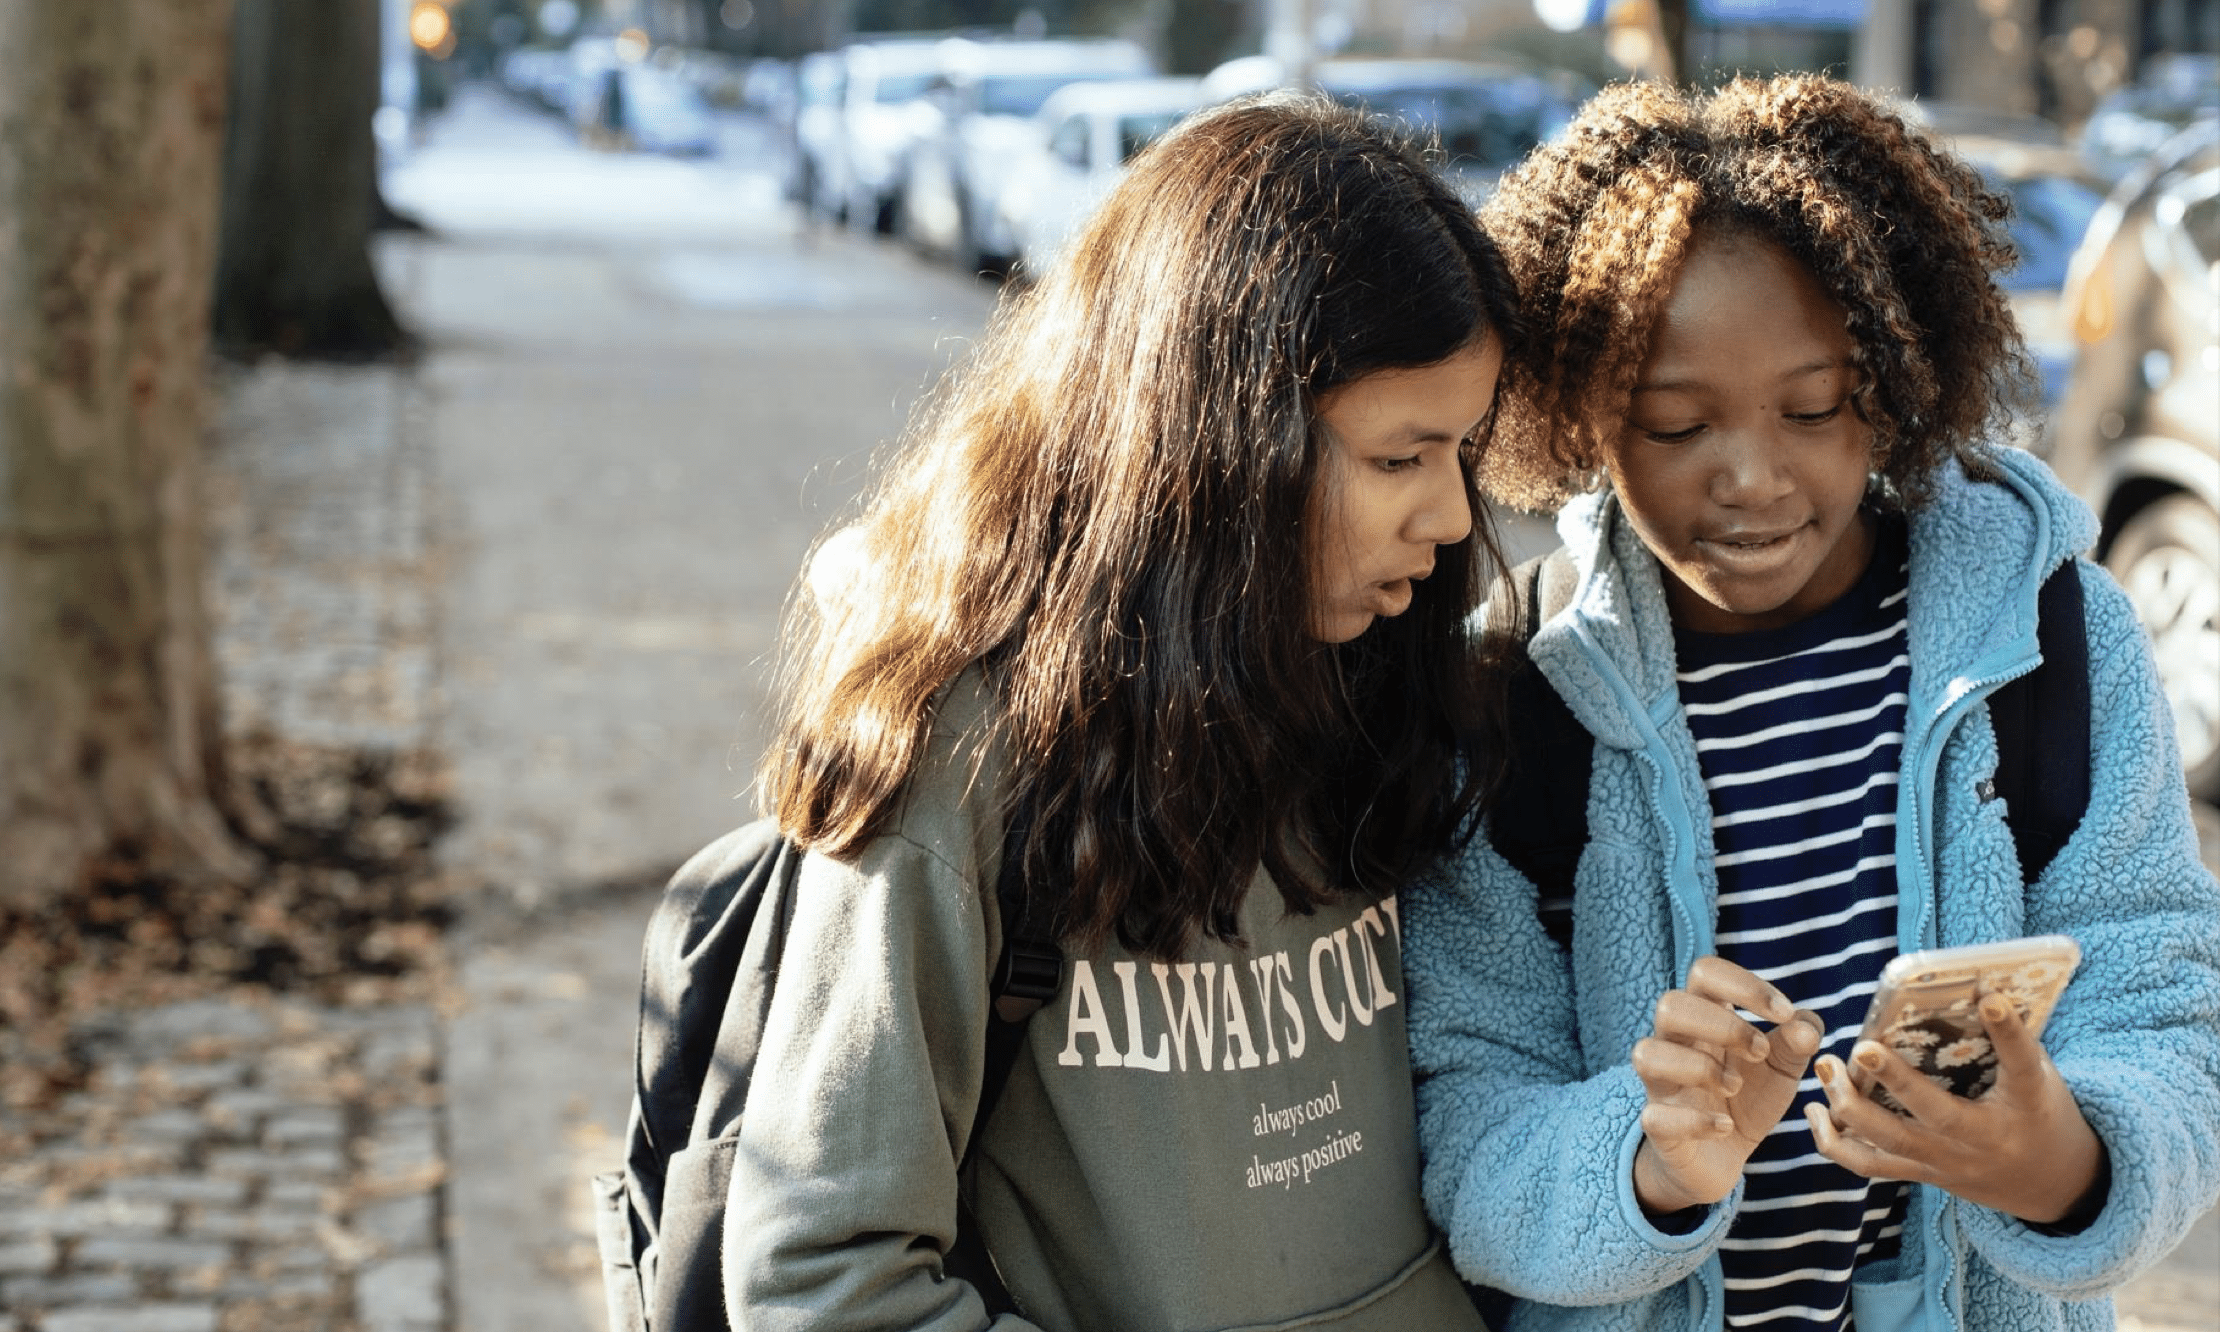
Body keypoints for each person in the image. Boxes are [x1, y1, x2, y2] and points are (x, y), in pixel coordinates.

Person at [1405, 74, 2220, 1332]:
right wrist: (1651, 1162)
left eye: (1814, 408)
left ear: (1894, 378)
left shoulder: (2050, 637)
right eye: (1675, 425)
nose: (1753, 478)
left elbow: (2166, 1005)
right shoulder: (1511, 697)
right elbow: (1466, 1124)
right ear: (1584, 413)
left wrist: (2063, 1160)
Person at [720, 93, 1519, 1330]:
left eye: (1463, 455)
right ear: (1215, 434)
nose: (1453, 519)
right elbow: (822, 1277)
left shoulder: (1386, 671)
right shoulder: (963, 749)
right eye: (1400, 458)